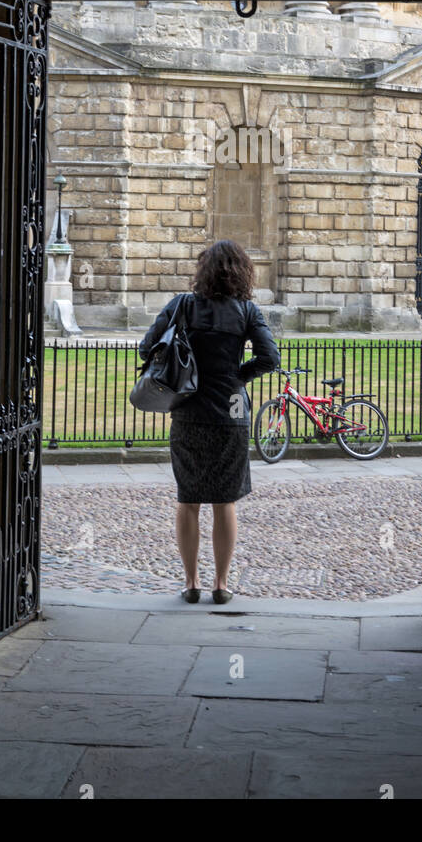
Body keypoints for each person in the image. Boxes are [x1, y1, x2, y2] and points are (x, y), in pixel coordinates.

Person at [137, 239, 280, 604]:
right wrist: (236, 375)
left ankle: (190, 582)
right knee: (225, 502)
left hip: (189, 411)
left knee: (188, 501)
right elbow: (269, 358)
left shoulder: (183, 305)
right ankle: (221, 583)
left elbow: (147, 346)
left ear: (204, 270)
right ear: (243, 272)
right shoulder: (248, 311)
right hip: (231, 413)